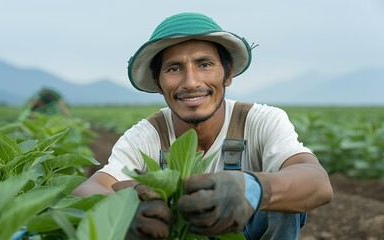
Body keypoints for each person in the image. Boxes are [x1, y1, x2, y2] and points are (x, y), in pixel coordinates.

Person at [72, 12, 333, 239]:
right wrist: (124, 210)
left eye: (204, 64)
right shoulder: (146, 135)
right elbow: (87, 189)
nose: (191, 82)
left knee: (282, 198)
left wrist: (254, 188)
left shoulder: (260, 121)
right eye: (174, 69)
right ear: (158, 82)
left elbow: (317, 182)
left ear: (228, 74)